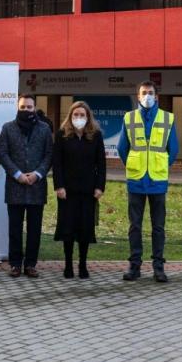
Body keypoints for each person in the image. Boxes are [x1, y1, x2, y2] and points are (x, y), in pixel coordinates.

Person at [117, 81, 178, 283]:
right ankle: (134, 266)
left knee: (158, 227)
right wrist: (134, 165)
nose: (147, 96)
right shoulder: (129, 118)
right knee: (135, 226)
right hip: (136, 180)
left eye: (151, 93)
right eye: (144, 93)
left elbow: (174, 150)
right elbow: (122, 148)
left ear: (157, 96)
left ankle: (158, 267)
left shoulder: (168, 118)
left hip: (157, 181)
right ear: (138, 96)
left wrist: (159, 165)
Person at [0, 94, 53, 278]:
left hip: (37, 187)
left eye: (29, 107)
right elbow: (3, 154)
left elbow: (49, 155)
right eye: (22, 107)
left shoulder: (45, 128)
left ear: (34, 108)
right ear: (17, 107)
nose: (26, 110)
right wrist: (17, 174)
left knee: (34, 229)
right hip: (15, 186)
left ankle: (30, 264)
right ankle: (15, 264)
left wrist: (37, 174)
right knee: (14, 229)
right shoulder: (7, 128)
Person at [53, 101, 106, 279]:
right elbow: (57, 163)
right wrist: (59, 186)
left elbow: (101, 164)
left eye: (82, 115)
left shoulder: (96, 136)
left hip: (88, 191)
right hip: (67, 191)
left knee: (85, 229)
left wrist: (100, 187)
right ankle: (68, 265)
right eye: (75, 115)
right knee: (68, 228)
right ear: (70, 116)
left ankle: (83, 265)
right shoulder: (62, 135)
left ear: (88, 117)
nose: (79, 118)